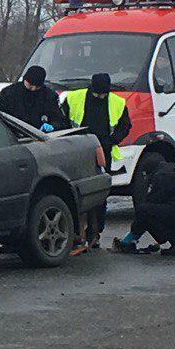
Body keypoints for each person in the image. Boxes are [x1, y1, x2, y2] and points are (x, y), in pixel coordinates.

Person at [60, 73, 131, 248]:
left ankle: (95, 232)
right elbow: (60, 120)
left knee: (99, 194)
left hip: (102, 152)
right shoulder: (74, 98)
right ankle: (78, 232)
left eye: (103, 94)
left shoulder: (117, 103)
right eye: (97, 94)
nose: (100, 97)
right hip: (76, 150)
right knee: (75, 192)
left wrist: (113, 140)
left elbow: (125, 126)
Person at [115, 153, 175, 255]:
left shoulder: (160, 176)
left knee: (145, 211)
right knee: (170, 210)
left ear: (149, 171)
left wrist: (131, 236)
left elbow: (148, 207)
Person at [0, 66, 68, 132]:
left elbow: (59, 119)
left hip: (40, 136)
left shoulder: (49, 96)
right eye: (30, 86)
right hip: (14, 135)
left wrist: (53, 126)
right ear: (25, 80)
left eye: (37, 87)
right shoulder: (9, 93)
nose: (33, 89)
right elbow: (0, 117)